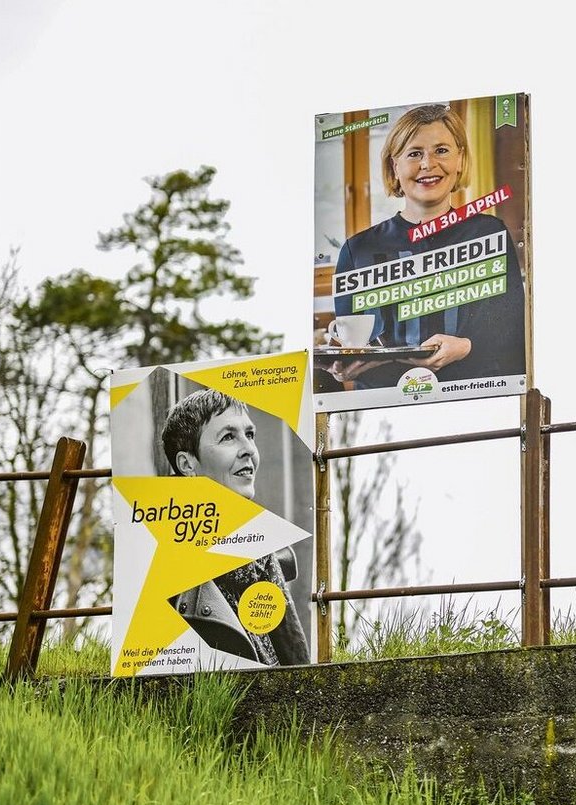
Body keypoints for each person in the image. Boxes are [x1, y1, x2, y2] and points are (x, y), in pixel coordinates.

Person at [320, 103, 526, 389]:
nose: (428, 164)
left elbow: (515, 333)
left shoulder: (490, 234)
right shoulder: (358, 250)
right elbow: (348, 343)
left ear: (460, 160)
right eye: (414, 153)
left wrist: (467, 346)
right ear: (395, 165)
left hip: (473, 397)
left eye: (441, 150)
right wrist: (343, 365)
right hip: (385, 406)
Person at [160, 388, 309, 666]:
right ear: (187, 464)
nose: (248, 450)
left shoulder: (261, 556)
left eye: (250, 435)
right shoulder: (168, 563)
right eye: (228, 437)